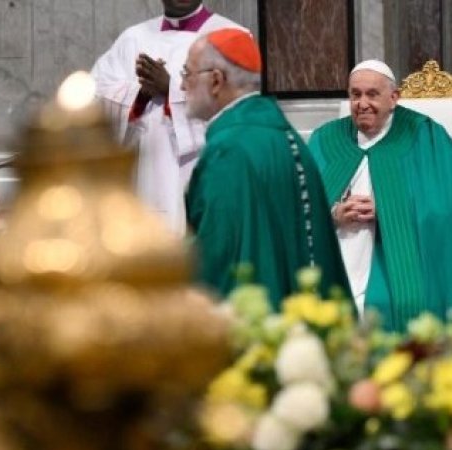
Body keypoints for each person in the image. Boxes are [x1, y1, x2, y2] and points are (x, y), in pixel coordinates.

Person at [307, 60, 452, 332]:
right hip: (337, 252)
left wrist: (390, 211)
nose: (362, 103)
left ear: (394, 98)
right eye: (355, 94)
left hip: (402, 258)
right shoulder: (326, 138)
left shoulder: (426, 137)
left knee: (388, 304)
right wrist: (333, 213)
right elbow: (298, 206)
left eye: (372, 94)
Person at [182, 28, 350, 309]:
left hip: (252, 323)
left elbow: (216, 252)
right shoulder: (285, 136)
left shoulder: (229, 150)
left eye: (187, 73)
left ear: (215, 80)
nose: (182, 85)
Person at [91, 1, 242, 234]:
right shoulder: (133, 39)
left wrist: (170, 89)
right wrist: (139, 95)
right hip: (145, 182)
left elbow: (238, 112)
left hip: (204, 181)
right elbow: (95, 101)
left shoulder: (232, 37)